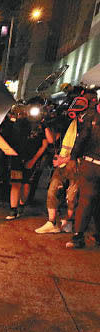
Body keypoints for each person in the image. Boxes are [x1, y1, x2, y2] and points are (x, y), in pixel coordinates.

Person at [60, 90, 100, 248]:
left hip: (90, 164)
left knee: (86, 200)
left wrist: (74, 158)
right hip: (92, 164)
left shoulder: (92, 117)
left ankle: (78, 236)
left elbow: (81, 139)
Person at [35, 116, 79, 234]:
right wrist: (45, 125)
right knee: (52, 190)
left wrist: (63, 160)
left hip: (76, 166)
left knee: (71, 196)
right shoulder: (67, 122)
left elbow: (83, 149)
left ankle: (69, 222)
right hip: (61, 166)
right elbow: (52, 139)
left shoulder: (87, 124)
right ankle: (52, 222)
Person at [5, 111, 49, 220]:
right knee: (15, 183)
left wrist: (33, 161)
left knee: (26, 184)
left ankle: (21, 205)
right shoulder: (17, 124)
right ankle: (13, 210)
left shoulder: (41, 126)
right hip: (17, 158)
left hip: (31, 159)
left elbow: (45, 144)